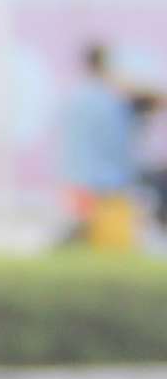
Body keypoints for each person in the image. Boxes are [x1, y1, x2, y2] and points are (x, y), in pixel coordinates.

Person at [55, 38, 140, 252]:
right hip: (108, 182)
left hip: (79, 178)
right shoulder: (114, 98)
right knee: (107, 241)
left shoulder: (74, 98)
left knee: (88, 232)